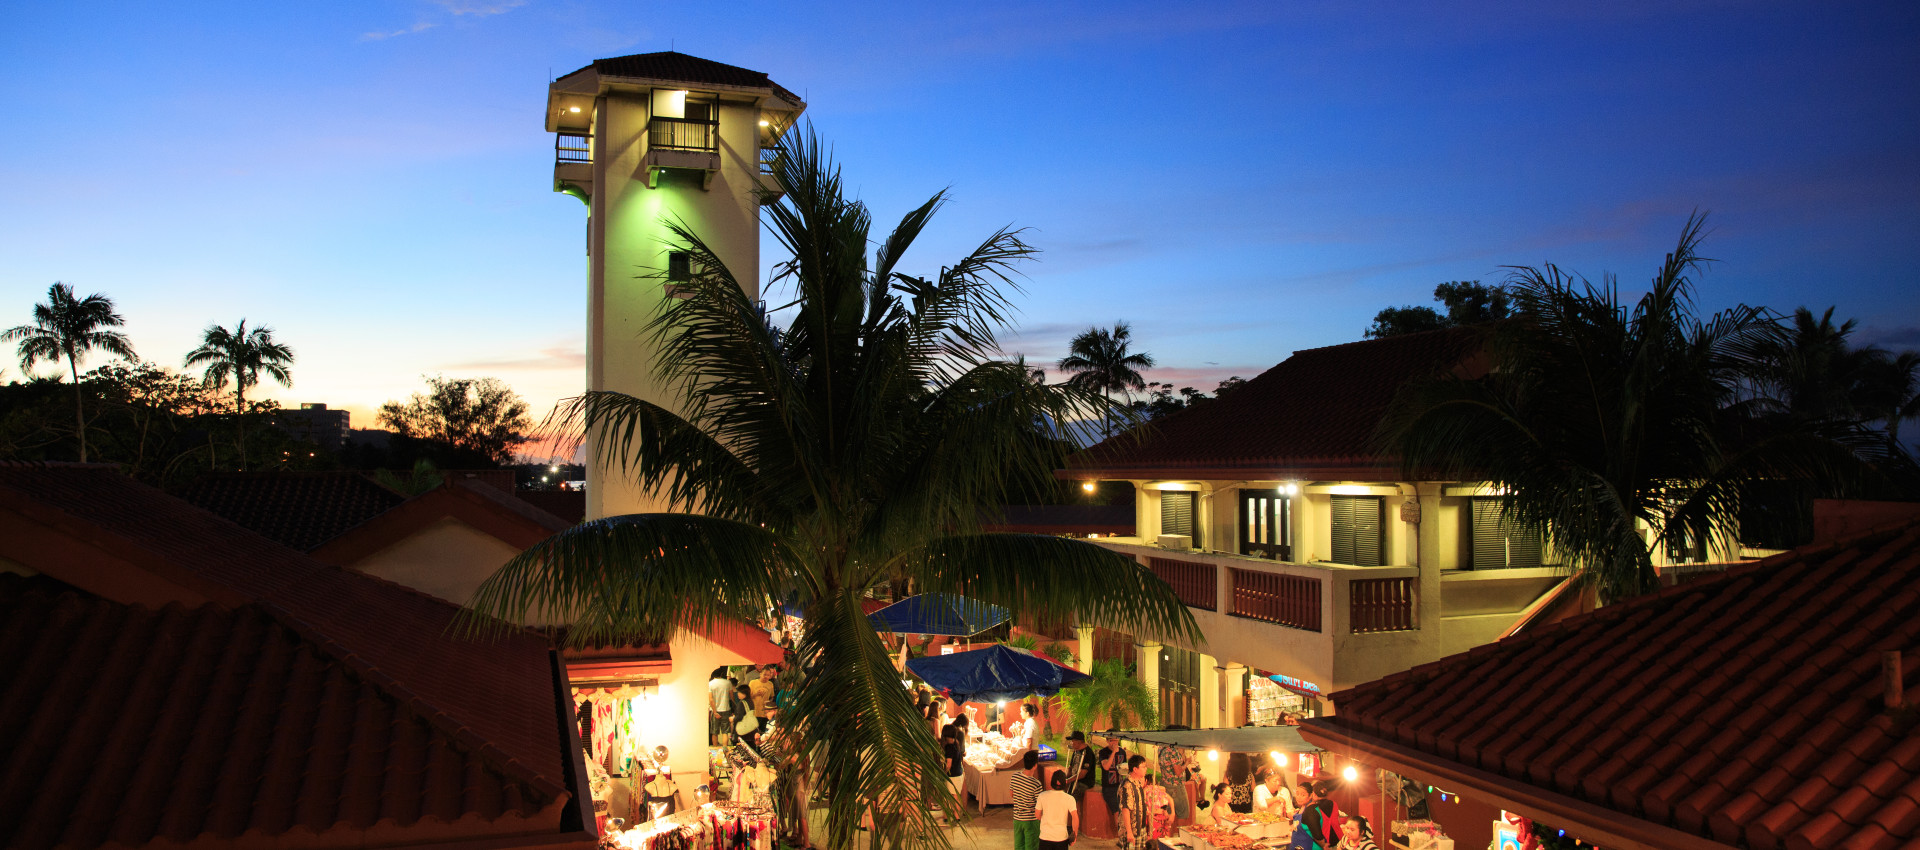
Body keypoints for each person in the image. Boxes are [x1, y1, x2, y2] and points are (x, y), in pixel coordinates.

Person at [1035, 771, 1080, 850]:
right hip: (1061, 838)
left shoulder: (1042, 796)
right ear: (1065, 782)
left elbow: (1037, 815)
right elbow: (1075, 817)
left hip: (1045, 837)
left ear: (1051, 782)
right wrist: (1074, 834)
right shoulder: (1070, 799)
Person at [1010, 750, 1045, 850]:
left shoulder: (1014, 777)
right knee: (1031, 846)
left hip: (1017, 819)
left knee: (1019, 846)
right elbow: (1039, 805)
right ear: (1035, 765)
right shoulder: (1036, 784)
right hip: (1031, 821)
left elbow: (1011, 794)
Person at [1116, 755, 1148, 850]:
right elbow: (1126, 809)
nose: (1146, 769)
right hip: (1131, 831)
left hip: (1140, 828)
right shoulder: (1127, 786)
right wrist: (1129, 832)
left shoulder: (1137, 783)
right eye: (1143, 767)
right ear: (1135, 769)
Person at [1154, 743, 1192, 823]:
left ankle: (1167, 834)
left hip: (1165, 783)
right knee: (1183, 813)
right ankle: (1181, 834)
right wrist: (1187, 763)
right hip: (1176, 785)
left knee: (1167, 813)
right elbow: (1178, 772)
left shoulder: (1161, 748)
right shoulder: (1173, 751)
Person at [941, 724, 966, 822]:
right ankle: (957, 816)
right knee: (956, 795)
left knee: (948, 796)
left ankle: (947, 816)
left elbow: (949, 764)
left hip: (952, 775)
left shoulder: (949, 747)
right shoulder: (956, 743)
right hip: (959, 773)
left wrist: (944, 772)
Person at [1098, 737, 1125, 822]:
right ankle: (1118, 833)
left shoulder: (1122, 752)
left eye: (1116, 740)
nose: (1114, 742)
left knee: (1123, 810)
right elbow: (1106, 767)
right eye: (1111, 740)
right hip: (1109, 787)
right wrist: (1113, 752)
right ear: (1107, 741)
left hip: (1120, 785)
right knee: (1116, 810)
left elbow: (1124, 767)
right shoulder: (1103, 752)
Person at [1063, 731, 1096, 795]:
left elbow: (1082, 774)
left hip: (1084, 782)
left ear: (1078, 742)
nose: (1071, 743)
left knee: (1074, 793)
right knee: (1063, 792)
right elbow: (1070, 767)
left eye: (1072, 741)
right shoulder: (1076, 751)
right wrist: (1066, 778)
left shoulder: (1088, 753)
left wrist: (1067, 781)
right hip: (1074, 779)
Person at [707, 667, 733, 745]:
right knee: (725, 732)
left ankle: (715, 750)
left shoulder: (710, 683)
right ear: (721, 674)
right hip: (726, 709)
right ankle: (725, 749)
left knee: (714, 732)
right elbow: (731, 697)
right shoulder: (728, 683)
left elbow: (711, 699)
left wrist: (715, 712)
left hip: (715, 711)